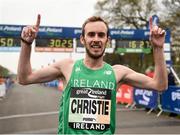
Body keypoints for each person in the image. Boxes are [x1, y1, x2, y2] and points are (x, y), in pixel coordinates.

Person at [17, 14, 168, 134]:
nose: (96, 39)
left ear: (107, 40)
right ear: (83, 39)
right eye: (91, 34)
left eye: (101, 35)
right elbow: (25, 78)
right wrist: (26, 44)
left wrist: (158, 48)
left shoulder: (118, 72)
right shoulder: (66, 67)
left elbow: (159, 85)